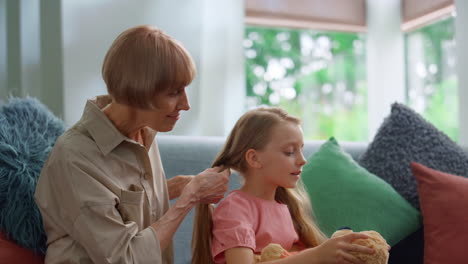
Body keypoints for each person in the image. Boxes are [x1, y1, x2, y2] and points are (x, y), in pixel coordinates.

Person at [34, 25, 230, 264]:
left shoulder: (144, 131)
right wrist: (188, 198)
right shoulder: (75, 157)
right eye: (174, 93)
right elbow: (126, 258)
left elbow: (118, 203)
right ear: (140, 91)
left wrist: (175, 187)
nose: (186, 104)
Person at [192, 107, 376, 264]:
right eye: (289, 152)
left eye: (301, 150)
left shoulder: (285, 208)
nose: (303, 160)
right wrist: (317, 255)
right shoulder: (235, 209)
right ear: (254, 158)